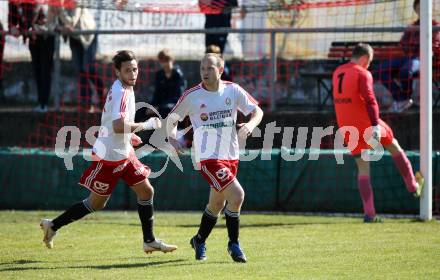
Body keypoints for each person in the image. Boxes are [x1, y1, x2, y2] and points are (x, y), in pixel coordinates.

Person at [40, 50, 177, 254]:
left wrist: (130, 137)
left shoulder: (125, 89)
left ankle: (149, 240)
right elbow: (118, 125)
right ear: (117, 72)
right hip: (109, 157)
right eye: (127, 70)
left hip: (124, 152)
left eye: (135, 69)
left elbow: (114, 124)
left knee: (146, 191)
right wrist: (147, 125)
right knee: (96, 203)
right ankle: (53, 225)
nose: (133, 74)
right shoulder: (121, 92)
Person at [166, 53, 263, 262]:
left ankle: (199, 239)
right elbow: (171, 120)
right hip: (207, 158)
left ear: (220, 70)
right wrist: (173, 140)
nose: (205, 72)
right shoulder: (192, 96)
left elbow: (258, 112)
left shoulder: (233, 90)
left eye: (210, 68)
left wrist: (249, 125)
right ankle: (234, 244)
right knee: (237, 196)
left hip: (231, 155)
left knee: (216, 204)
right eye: (202, 68)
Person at [332, 43, 424, 223]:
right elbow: (370, 100)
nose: (369, 65)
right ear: (365, 59)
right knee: (394, 146)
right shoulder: (362, 73)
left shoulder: (337, 72)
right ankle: (413, 186)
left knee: (363, 169)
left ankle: (370, 214)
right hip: (366, 123)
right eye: (370, 62)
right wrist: (374, 125)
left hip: (346, 126)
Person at [377, 0, 440, 112]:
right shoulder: (412, 26)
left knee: (406, 71)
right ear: (416, 10)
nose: (422, 10)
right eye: (419, 8)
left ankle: (405, 99)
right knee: (380, 70)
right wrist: (416, 44)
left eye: (424, 8)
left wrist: (415, 46)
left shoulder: (435, 25)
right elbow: (403, 43)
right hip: (408, 57)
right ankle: (401, 99)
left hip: (423, 58)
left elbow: (433, 44)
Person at [8, 1, 55, 112]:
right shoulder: (13, 3)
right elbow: (12, 20)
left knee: (45, 70)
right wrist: (12, 27)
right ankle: (40, 103)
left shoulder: (33, 3)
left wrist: (30, 27)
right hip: (32, 39)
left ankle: (44, 103)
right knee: (37, 69)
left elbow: (39, 15)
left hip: (45, 37)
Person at [58, 2, 104, 111]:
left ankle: (101, 91)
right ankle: (86, 103)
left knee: (87, 68)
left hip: (88, 35)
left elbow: (72, 21)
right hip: (74, 37)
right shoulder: (56, 4)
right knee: (80, 70)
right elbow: (55, 23)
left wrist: (59, 10)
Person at [151, 49, 187, 119]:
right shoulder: (159, 75)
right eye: (162, 61)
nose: (165, 64)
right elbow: (156, 93)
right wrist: (152, 106)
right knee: (143, 109)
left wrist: (159, 107)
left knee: (165, 109)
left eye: (167, 60)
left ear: (172, 61)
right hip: (161, 104)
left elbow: (178, 97)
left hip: (174, 104)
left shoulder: (178, 75)